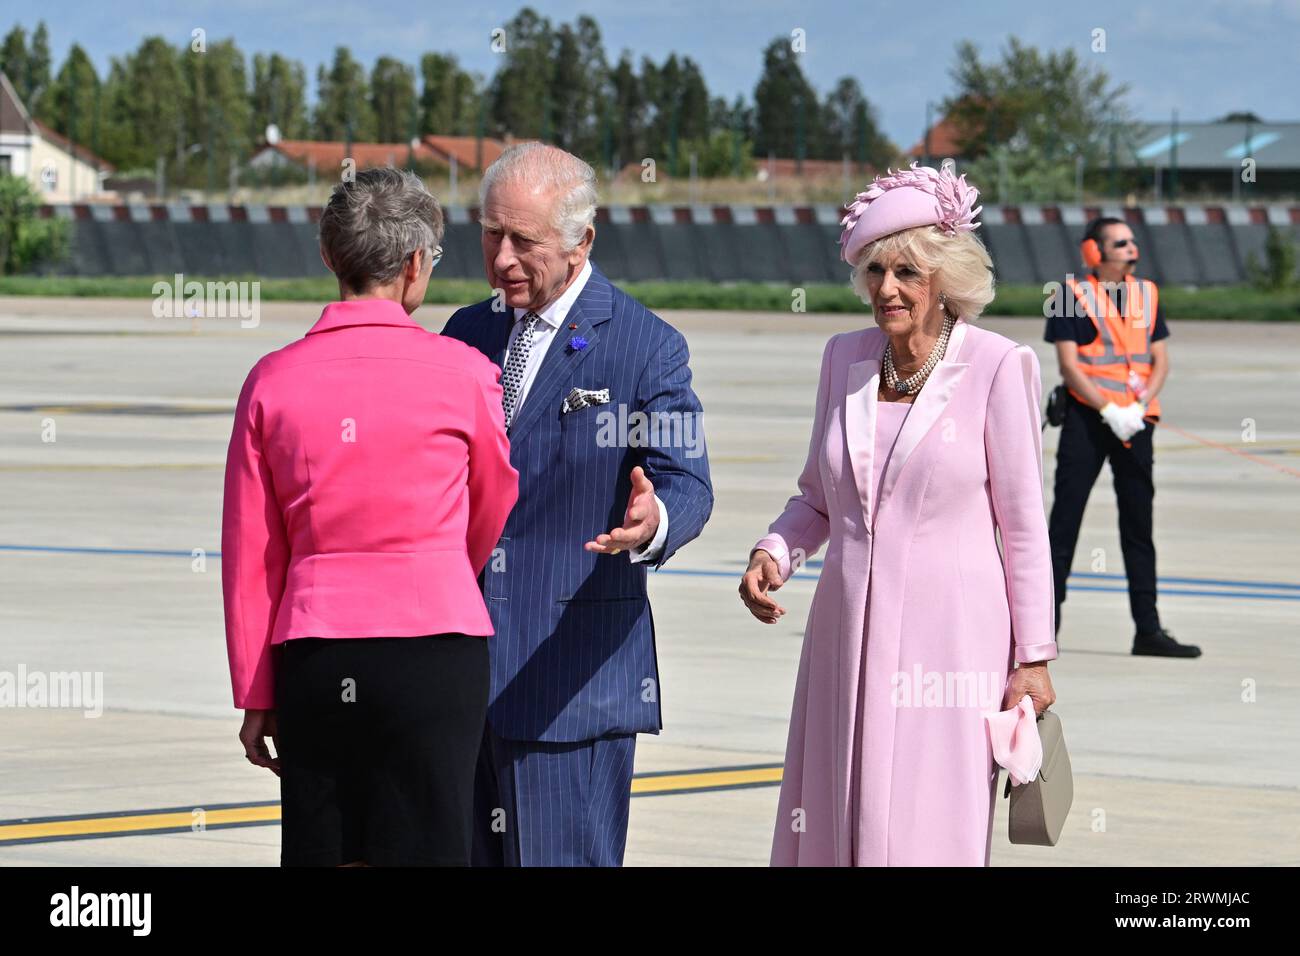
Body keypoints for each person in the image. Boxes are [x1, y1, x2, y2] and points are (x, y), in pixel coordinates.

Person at [738, 162, 1057, 866]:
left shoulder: (999, 367)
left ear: (946, 280)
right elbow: (818, 498)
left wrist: (1033, 658)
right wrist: (774, 553)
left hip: (950, 642)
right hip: (844, 632)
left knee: (925, 818)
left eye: (908, 272)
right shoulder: (843, 359)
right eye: (876, 271)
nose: (887, 288)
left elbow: (1025, 527)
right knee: (834, 805)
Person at [222, 167, 518, 866]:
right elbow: (493, 504)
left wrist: (255, 687)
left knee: (329, 849)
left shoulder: (273, 379)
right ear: (416, 265)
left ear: (330, 256)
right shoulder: (467, 371)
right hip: (436, 649)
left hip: (318, 654)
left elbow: (252, 555)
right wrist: (438, 567)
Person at [441, 143, 714, 867]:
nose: (501, 259)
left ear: (580, 240)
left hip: (569, 685)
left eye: (523, 241)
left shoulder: (646, 346)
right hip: (458, 682)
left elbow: (686, 480)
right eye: (490, 233)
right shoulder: (466, 332)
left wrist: (653, 524)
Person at [1045, 217, 1199, 657]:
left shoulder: (1147, 293)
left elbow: (1160, 359)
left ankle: (1147, 630)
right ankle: (1043, 627)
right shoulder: (1069, 296)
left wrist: (1137, 406)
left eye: (1132, 241)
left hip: (1135, 422)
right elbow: (1070, 366)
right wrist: (1108, 408)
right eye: (1121, 242)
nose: (1132, 248)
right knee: (1064, 523)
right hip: (1087, 421)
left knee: (1139, 525)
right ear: (1095, 251)